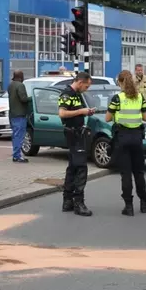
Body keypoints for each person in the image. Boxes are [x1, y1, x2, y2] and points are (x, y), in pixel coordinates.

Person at [106, 70, 146, 216]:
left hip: (122, 138)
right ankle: (144, 204)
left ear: (119, 82)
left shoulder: (117, 98)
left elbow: (107, 118)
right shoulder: (140, 97)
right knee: (139, 172)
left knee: (126, 174)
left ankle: (128, 207)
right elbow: (145, 117)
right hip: (137, 138)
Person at [58, 72, 94, 216]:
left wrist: (85, 113)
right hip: (73, 134)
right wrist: (81, 111)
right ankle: (79, 203)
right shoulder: (67, 94)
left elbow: (76, 112)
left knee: (72, 167)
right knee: (81, 168)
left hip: (78, 132)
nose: (87, 88)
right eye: (86, 85)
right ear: (80, 82)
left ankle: (67, 201)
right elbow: (62, 113)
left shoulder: (77, 94)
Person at [8, 70, 30, 163]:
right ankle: (17, 156)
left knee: (15, 135)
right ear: (21, 77)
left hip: (12, 114)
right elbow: (23, 99)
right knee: (19, 136)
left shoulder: (10, 85)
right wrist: (32, 98)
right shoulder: (20, 85)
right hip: (20, 114)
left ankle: (15, 154)